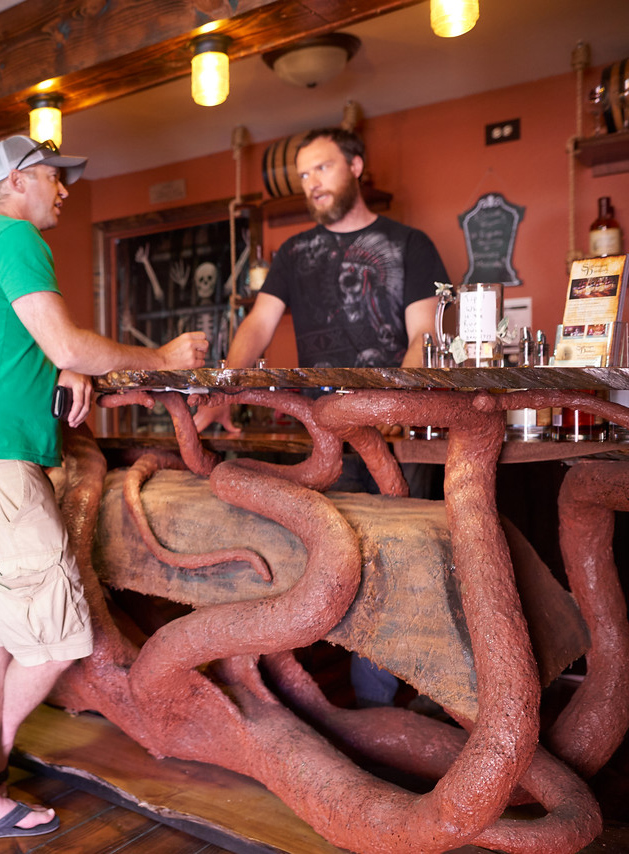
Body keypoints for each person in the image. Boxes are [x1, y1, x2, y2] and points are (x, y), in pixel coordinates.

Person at [0, 135, 208, 846]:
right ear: (19, 179)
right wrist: (159, 359)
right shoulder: (13, 236)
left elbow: (40, 349)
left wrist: (67, 371)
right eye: (56, 177)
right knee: (59, 641)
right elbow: (68, 344)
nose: (65, 190)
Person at [194, 126, 448, 706]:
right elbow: (257, 328)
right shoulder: (292, 254)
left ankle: (414, 691)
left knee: (407, 557)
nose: (312, 183)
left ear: (357, 166)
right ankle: (362, 700)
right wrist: (224, 392)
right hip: (327, 434)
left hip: (396, 436)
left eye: (323, 168)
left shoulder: (411, 244)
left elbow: (423, 336)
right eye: (304, 174)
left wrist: (391, 406)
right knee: (344, 558)